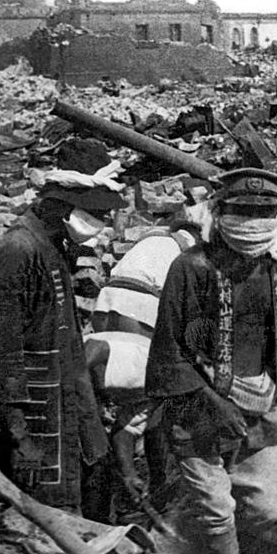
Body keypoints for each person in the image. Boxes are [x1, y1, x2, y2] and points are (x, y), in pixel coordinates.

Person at [145, 168, 277, 554]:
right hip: (197, 405)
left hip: (260, 400)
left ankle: (185, 538)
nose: (253, 222)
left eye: (263, 211)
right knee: (217, 505)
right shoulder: (191, 268)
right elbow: (171, 348)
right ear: (219, 211)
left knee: (268, 505)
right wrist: (214, 403)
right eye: (242, 210)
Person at [0, 139, 125, 512]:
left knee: (87, 490)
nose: (99, 224)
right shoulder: (18, 253)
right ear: (60, 204)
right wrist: (21, 436)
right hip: (32, 419)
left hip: (67, 400)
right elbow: (2, 354)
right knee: (42, 516)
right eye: (93, 213)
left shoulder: (51, 246)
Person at [82, 217, 200, 516]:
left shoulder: (155, 239)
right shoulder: (146, 373)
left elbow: (125, 426)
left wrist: (128, 474)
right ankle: (155, 481)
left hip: (108, 299)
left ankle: (126, 487)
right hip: (142, 302)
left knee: (100, 416)